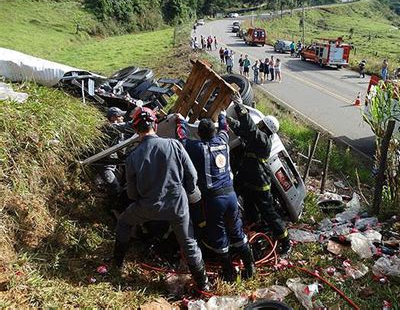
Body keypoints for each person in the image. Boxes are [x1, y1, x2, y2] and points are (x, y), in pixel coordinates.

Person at [113, 107, 209, 291]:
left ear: (135, 129)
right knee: (189, 243)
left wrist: (145, 201)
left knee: (124, 222)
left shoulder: (133, 157)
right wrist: (190, 192)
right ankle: (203, 282)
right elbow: (192, 174)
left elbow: (132, 194)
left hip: (148, 207)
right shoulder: (174, 145)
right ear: (155, 125)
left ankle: (117, 264)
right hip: (177, 206)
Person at [176, 113, 255, 282]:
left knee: (219, 236)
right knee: (237, 230)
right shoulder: (223, 141)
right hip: (231, 196)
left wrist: (180, 120)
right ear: (214, 131)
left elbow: (181, 139)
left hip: (214, 200)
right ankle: (250, 267)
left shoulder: (198, 148)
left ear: (200, 134)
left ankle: (229, 273)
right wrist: (222, 116)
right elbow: (224, 128)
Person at [227, 103, 291, 256]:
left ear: (265, 126)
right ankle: (254, 230)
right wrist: (228, 120)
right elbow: (243, 129)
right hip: (249, 180)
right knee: (249, 208)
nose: (259, 124)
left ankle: (285, 242)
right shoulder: (257, 137)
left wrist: (240, 108)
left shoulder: (262, 139)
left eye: (261, 123)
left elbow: (250, 129)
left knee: (268, 213)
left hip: (259, 182)